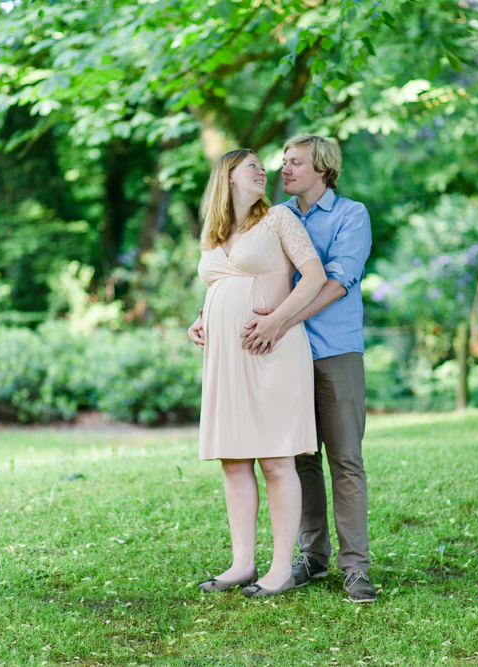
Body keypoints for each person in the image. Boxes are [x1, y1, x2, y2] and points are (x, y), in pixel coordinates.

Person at [189, 135, 377, 604]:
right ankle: (311, 558)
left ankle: (355, 568)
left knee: (345, 460)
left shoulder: (349, 215)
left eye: (294, 162)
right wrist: (208, 315)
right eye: (281, 162)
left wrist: (277, 322)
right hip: (271, 355)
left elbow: (333, 282)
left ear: (322, 168)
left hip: (330, 349)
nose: (282, 169)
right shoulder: (279, 216)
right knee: (296, 458)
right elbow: (243, 276)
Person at [189, 148, 327, 598]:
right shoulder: (214, 231)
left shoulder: (280, 220)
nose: (263, 171)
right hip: (227, 358)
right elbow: (221, 283)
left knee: (274, 458)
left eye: (262, 168)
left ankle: (280, 569)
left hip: (272, 350)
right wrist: (204, 316)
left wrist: (275, 321)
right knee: (234, 458)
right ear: (228, 177)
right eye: (252, 166)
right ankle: (242, 563)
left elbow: (313, 276)